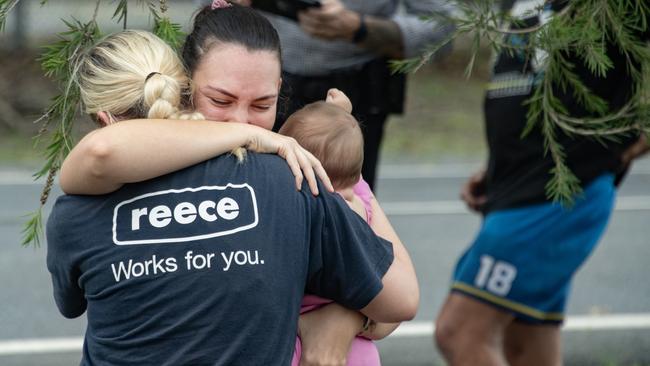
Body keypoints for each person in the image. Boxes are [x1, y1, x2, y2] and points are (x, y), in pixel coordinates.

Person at [56, 3, 419, 365]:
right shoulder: (286, 180)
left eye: (263, 104)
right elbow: (399, 300)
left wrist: (342, 317)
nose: (242, 120)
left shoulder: (290, 179)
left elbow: (395, 302)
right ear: (185, 86)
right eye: (221, 100)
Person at [434, 2, 650, 365]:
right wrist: (499, 164)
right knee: (525, 347)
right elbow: (530, 85)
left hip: (559, 192)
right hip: (516, 183)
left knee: (460, 331)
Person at [233, 0, 455, 190]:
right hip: (258, 84)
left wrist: (361, 29)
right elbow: (208, 15)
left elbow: (444, 26)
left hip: (359, 90)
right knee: (252, 198)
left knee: (347, 205)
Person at [279, 88, 401, 365]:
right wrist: (339, 117)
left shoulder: (302, 207)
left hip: (299, 341)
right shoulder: (363, 205)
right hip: (360, 350)